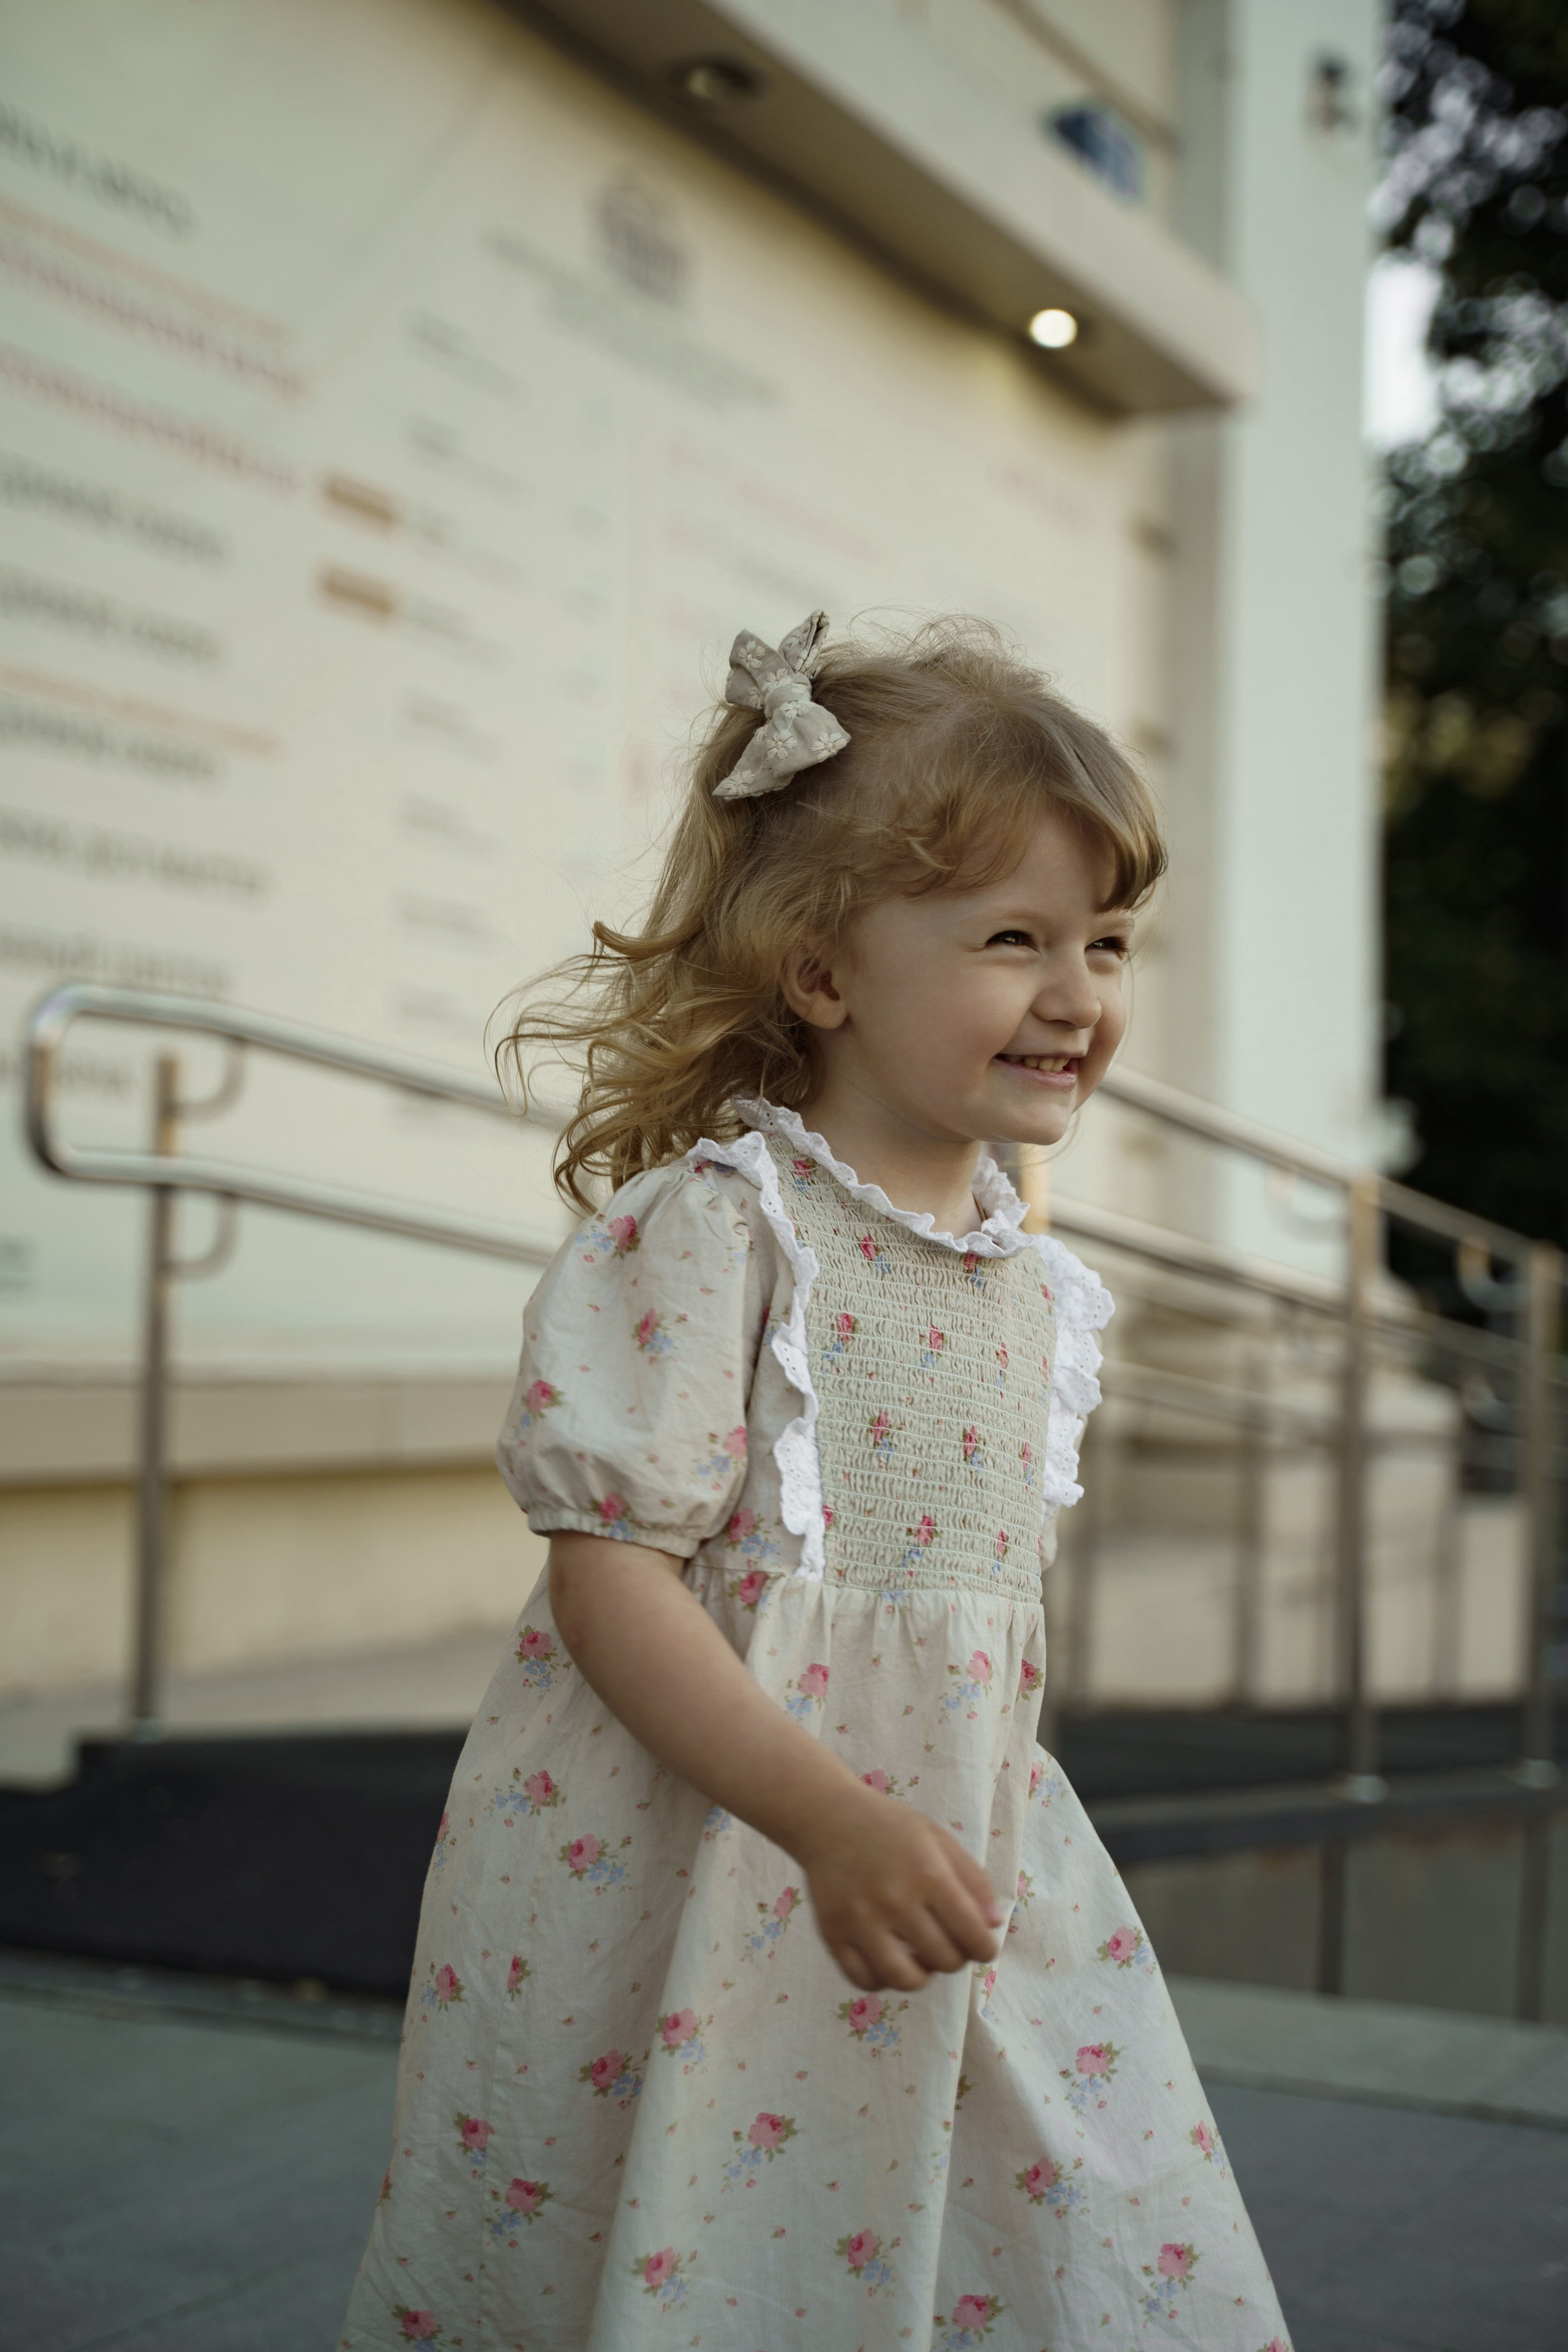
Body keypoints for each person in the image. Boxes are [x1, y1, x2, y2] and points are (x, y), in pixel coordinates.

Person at [341, 615, 1290, 2351]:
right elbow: (611, 1576)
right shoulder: (717, 1232)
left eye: (1108, 939)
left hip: (955, 1853)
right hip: (717, 1855)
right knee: (689, 2225)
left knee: (1043, 2227)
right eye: (1012, 939)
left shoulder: (1028, 1275)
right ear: (825, 972)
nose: (1079, 991)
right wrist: (827, 1818)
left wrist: (906, 1821)